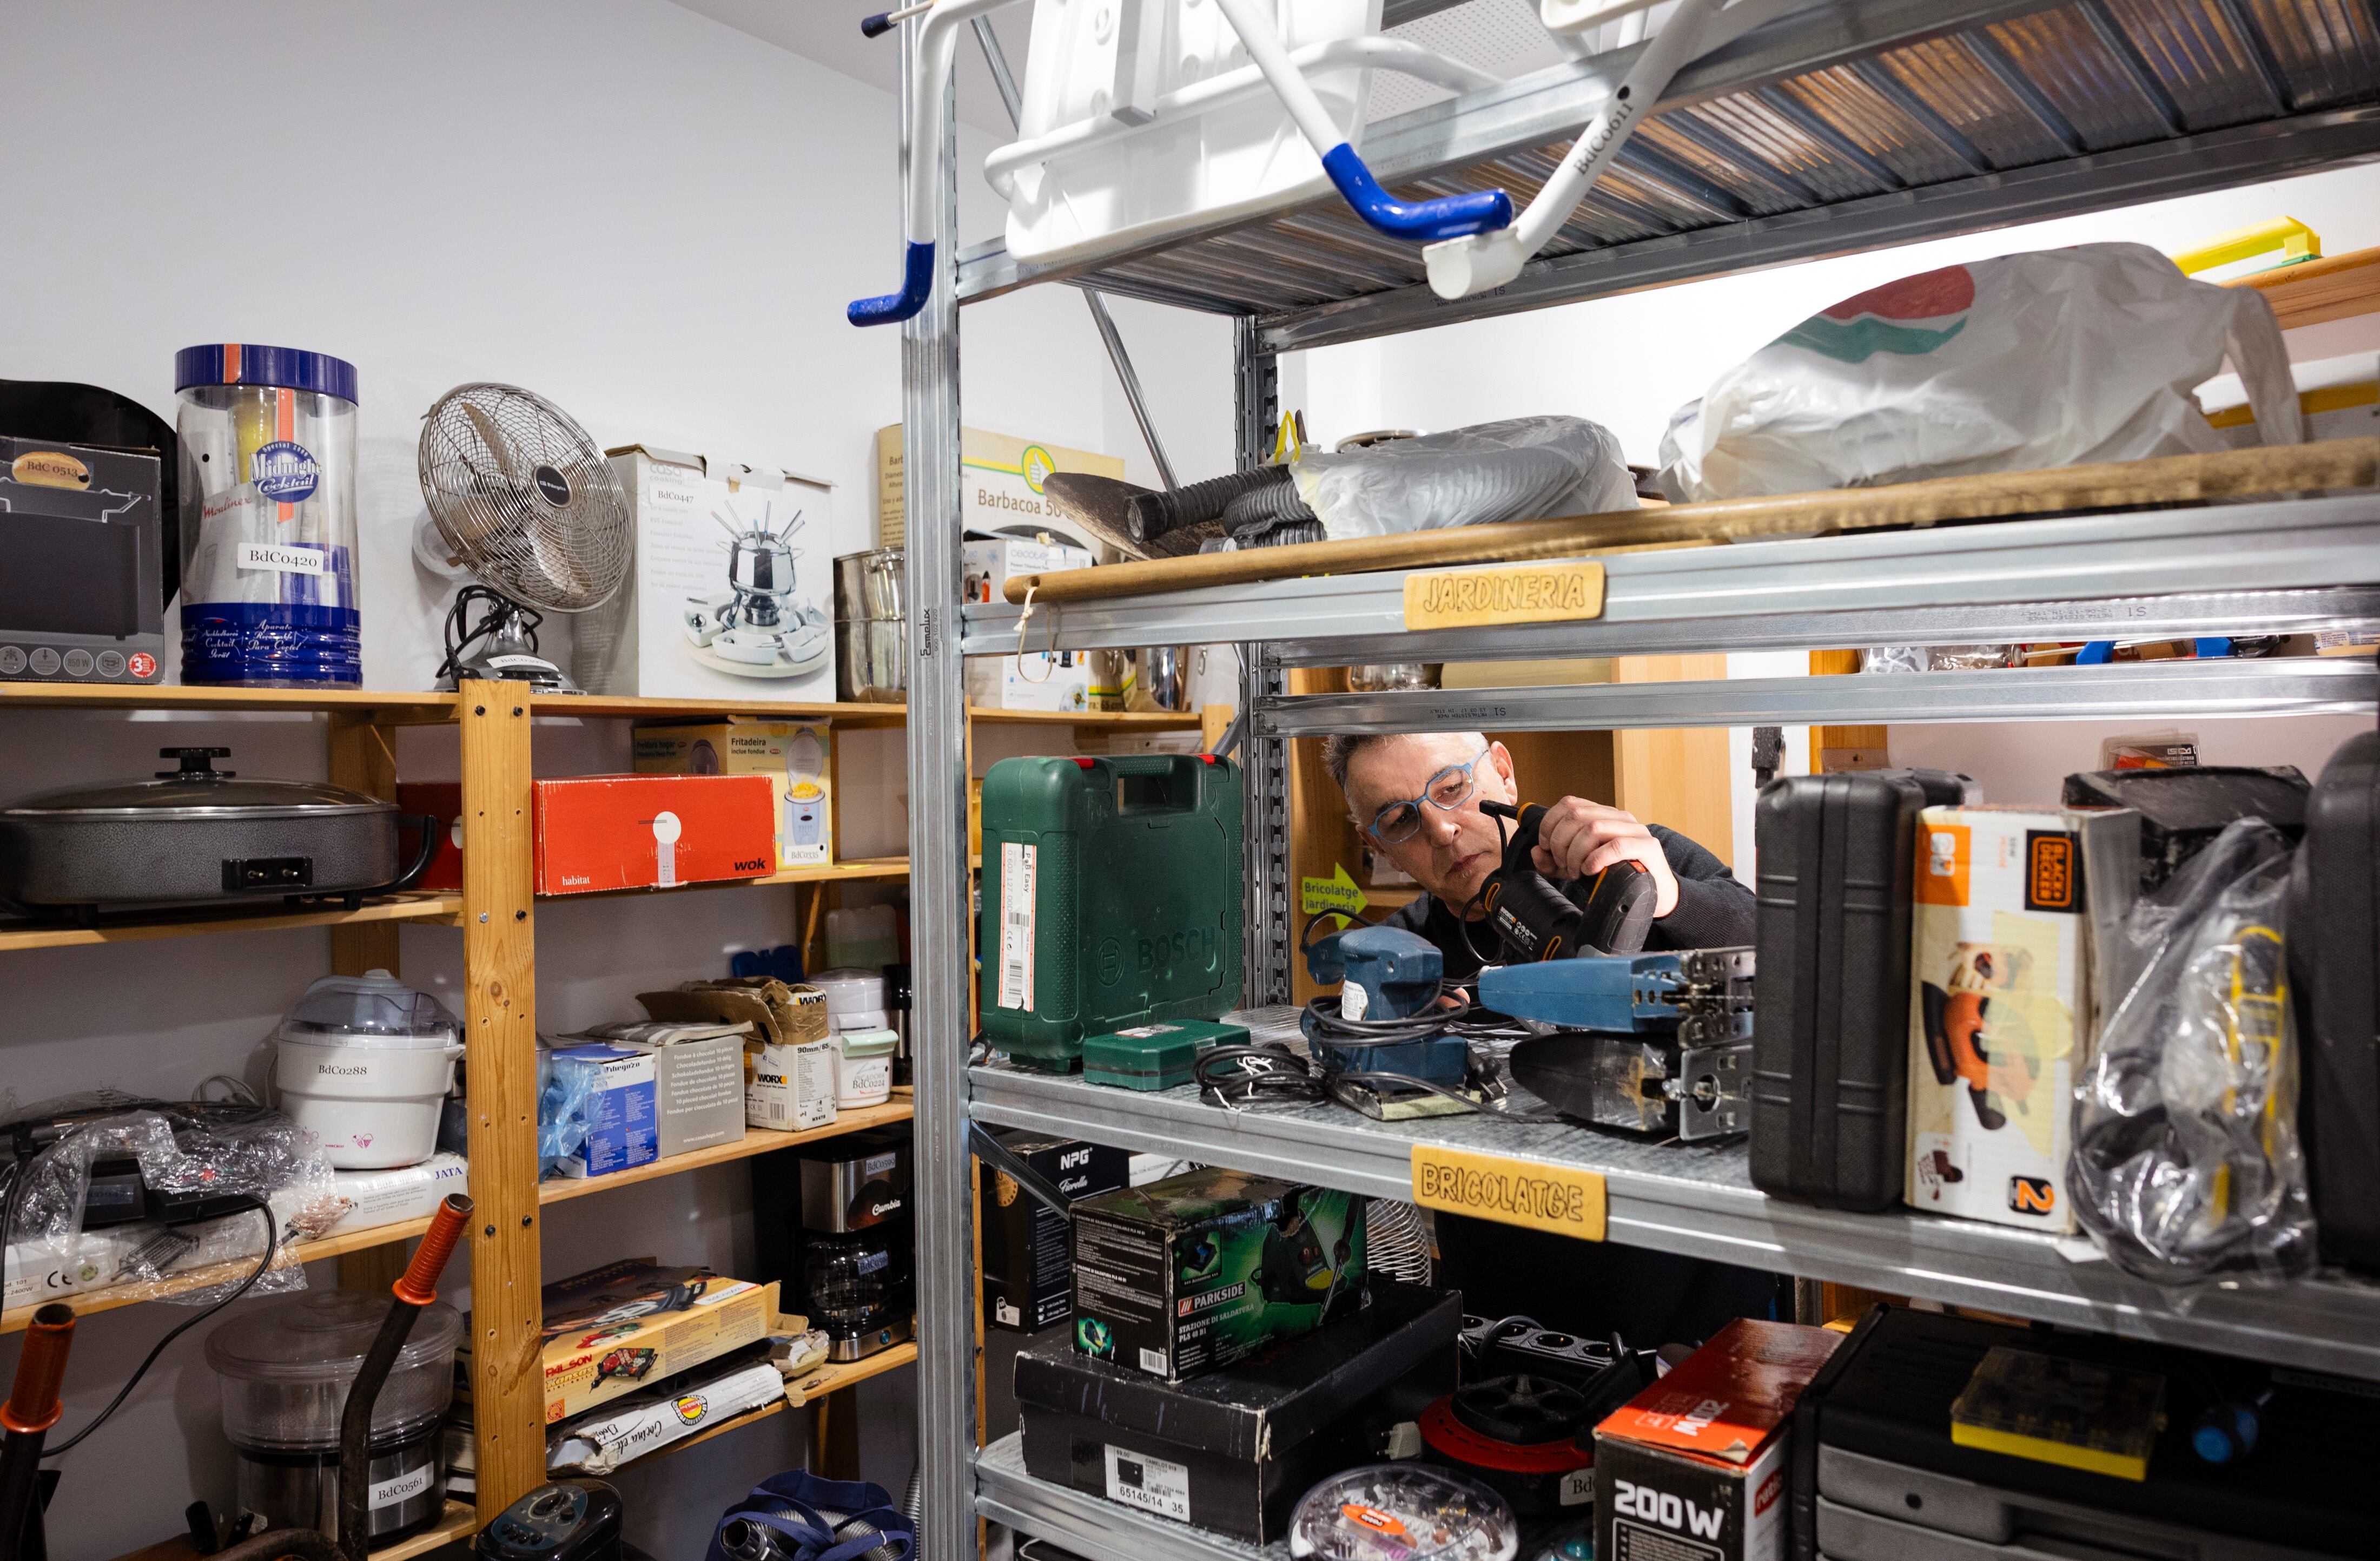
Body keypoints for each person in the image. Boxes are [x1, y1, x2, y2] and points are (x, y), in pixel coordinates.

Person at [1320, 730, 1786, 1347]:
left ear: (1503, 773)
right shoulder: (1401, 968)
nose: (1441, 829)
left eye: (1452, 788)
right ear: (1374, 844)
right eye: (1401, 817)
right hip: (1506, 1328)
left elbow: (1780, 949)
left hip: (1696, 1314)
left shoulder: (1633, 862)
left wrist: (1669, 895)